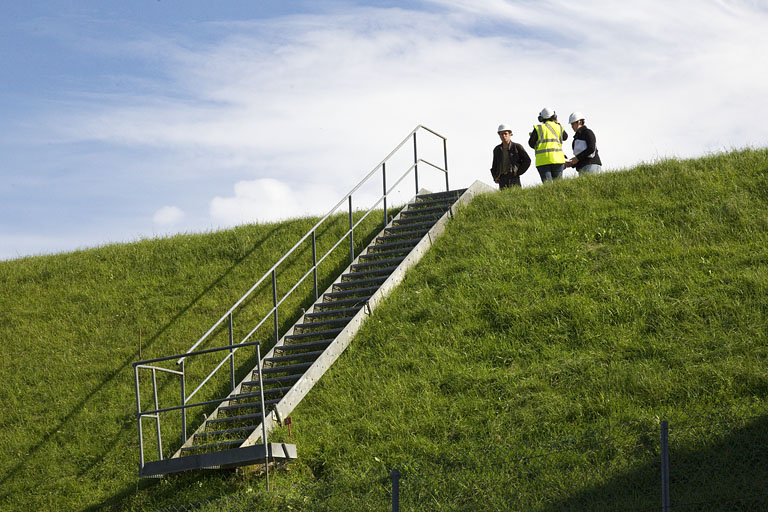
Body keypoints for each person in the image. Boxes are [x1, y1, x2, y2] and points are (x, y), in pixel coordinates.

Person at [528, 107, 568, 182]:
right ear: (554, 117)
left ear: (541, 118)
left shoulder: (538, 128)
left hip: (543, 161)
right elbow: (565, 137)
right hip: (558, 160)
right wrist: (557, 123)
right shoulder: (559, 127)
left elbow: (531, 144)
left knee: (548, 187)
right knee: (559, 185)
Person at [490, 124, 531, 189]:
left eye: (505, 134)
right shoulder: (497, 149)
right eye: (501, 134)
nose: (504, 136)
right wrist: (495, 177)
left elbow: (527, 160)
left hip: (513, 177)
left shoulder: (517, 147)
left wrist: (518, 172)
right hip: (502, 179)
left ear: (510, 134)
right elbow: (494, 165)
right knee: (504, 198)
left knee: (516, 197)